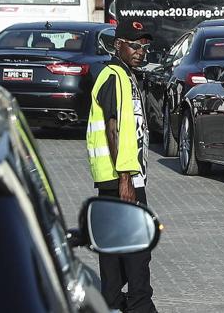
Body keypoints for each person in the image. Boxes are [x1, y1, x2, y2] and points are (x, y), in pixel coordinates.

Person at [86, 19, 156, 313]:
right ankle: (140, 305)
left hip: (114, 179)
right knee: (139, 250)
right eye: (134, 45)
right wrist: (126, 177)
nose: (140, 52)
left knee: (113, 251)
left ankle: (112, 304)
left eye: (145, 47)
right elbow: (113, 128)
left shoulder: (122, 75)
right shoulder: (115, 77)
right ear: (118, 45)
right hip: (122, 178)